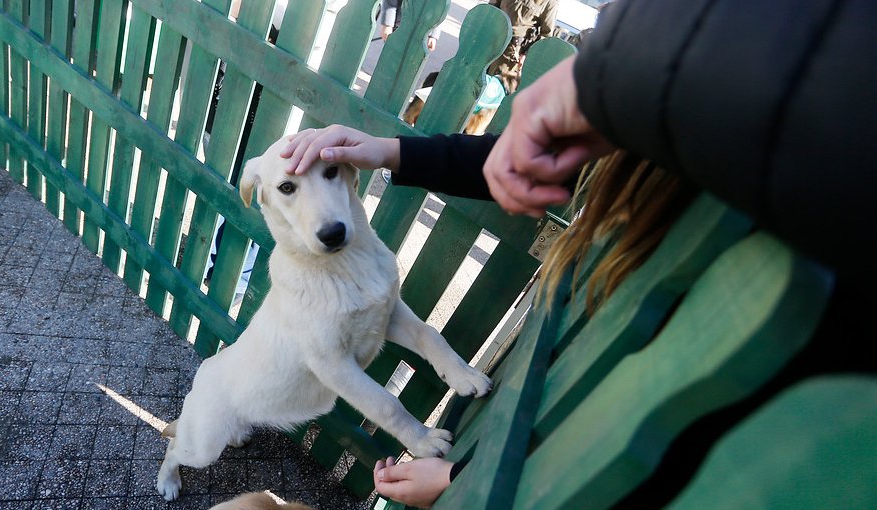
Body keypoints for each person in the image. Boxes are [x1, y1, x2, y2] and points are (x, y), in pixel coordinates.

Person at [282, 0, 875, 505]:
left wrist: (468, 484)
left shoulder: (761, 274)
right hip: (519, 421)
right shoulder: (683, 158)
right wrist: (392, 152)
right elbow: (527, 156)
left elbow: (641, 442)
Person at [486, 0, 560, 93]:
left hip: (510, 52)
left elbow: (545, 35)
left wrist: (527, 54)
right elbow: (492, 6)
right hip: (490, 38)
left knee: (494, 89)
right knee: (472, 79)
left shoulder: (550, 2)